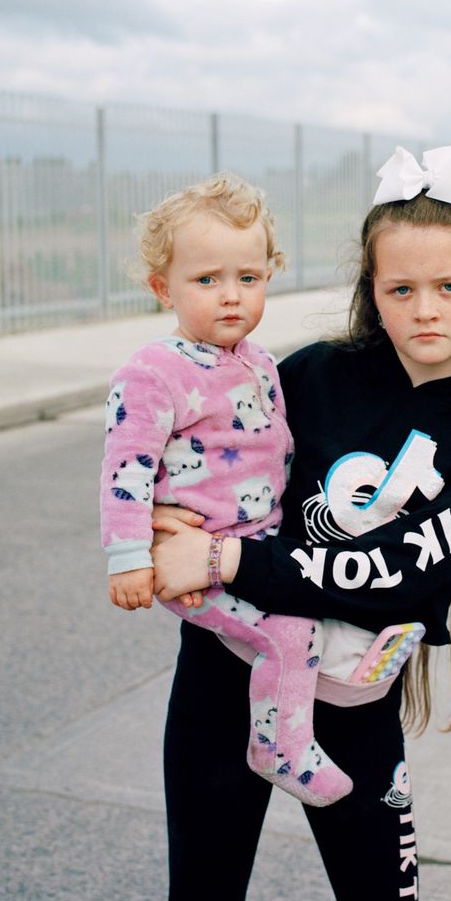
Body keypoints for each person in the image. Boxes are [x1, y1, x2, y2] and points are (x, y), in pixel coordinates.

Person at [152, 141, 451, 901]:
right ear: (372, 292)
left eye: (450, 286)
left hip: (350, 702)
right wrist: (158, 515)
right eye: (400, 288)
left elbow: (397, 575)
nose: (425, 309)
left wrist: (222, 557)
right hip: (224, 676)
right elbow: (198, 455)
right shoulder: (310, 375)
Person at [100, 173, 353, 807]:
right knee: (291, 635)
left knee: (317, 615)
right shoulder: (154, 371)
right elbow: (126, 467)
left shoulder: (259, 361)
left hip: (256, 544)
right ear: (164, 288)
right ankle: (279, 747)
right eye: (207, 280)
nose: (231, 296)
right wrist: (128, 556)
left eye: (248, 277)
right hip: (196, 559)